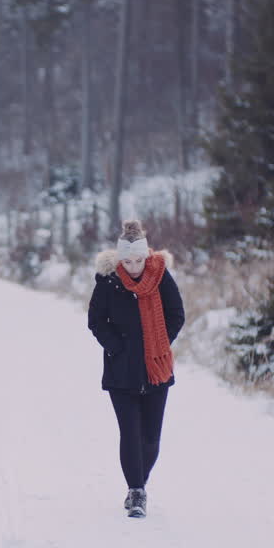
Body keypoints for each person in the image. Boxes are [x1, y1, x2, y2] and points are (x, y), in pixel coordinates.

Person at [87, 219, 185, 518]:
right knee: (129, 434)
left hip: (157, 369)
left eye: (138, 260)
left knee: (151, 437)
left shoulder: (161, 276)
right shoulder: (108, 281)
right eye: (127, 260)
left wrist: (157, 344)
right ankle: (137, 491)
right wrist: (119, 348)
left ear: (146, 256)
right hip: (122, 372)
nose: (133, 266)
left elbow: (176, 314)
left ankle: (139, 482)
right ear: (119, 258)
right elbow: (95, 321)